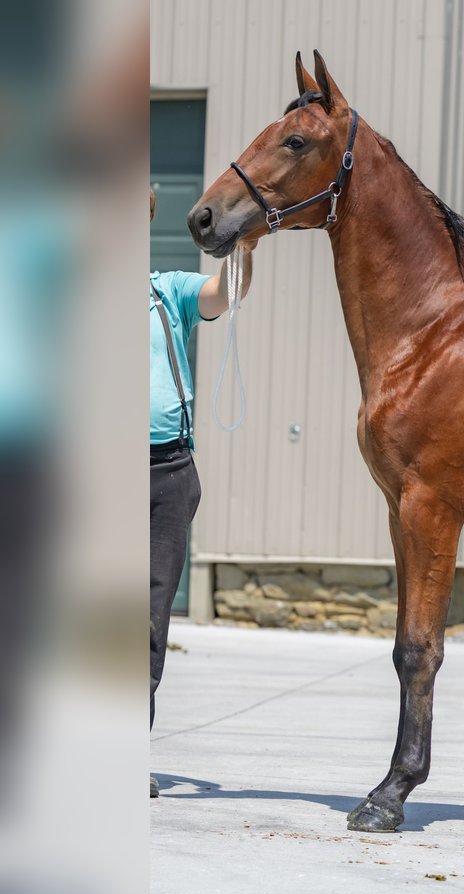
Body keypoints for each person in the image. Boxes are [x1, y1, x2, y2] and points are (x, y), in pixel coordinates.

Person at [149, 186, 254, 796]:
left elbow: (225, 292)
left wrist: (246, 241)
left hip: (167, 473)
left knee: (147, 619)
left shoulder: (167, 291)